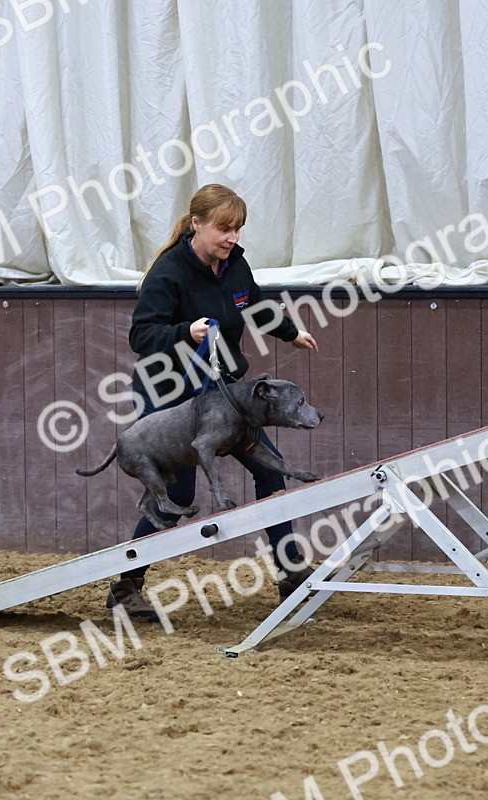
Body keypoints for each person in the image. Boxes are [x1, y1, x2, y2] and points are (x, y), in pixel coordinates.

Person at [106, 184, 320, 620]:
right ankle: (126, 588)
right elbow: (141, 336)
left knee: (270, 470)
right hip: (169, 397)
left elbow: (254, 304)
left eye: (237, 229)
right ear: (197, 225)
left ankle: (290, 571)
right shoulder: (168, 273)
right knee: (176, 492)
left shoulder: (234, 263)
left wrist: (290, 333)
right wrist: (186, 331)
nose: (232, 238)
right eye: (224, 229)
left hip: (221, 393)